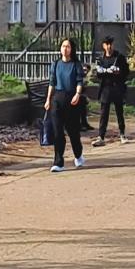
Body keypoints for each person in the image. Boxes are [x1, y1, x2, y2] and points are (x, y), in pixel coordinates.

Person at [46, 37, 87, 170]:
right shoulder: (56, 64)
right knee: (58, 131)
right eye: (63, 46)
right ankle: (58, 162)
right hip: (57, 98)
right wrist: (48, 100)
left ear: (72, 49)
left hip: (72, 99)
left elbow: (80, 81)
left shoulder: (76, 64)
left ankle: (78, 154)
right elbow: (52, 83)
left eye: (68, 46)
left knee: (73, 131)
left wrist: (77, 94)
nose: (65, 49)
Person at [90, 37, 130, 145]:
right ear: (103, 46)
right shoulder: (101, 58)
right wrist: (101, 72)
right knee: (104, 113)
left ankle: (122, 134)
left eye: (110, 44)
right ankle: (101, 136)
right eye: (106, 44)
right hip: (106, 88)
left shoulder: (119, 57)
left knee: (119, 112)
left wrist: (119, 72)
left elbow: (126, 71)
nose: (109, 47)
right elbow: (97, 74)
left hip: (117, 87)